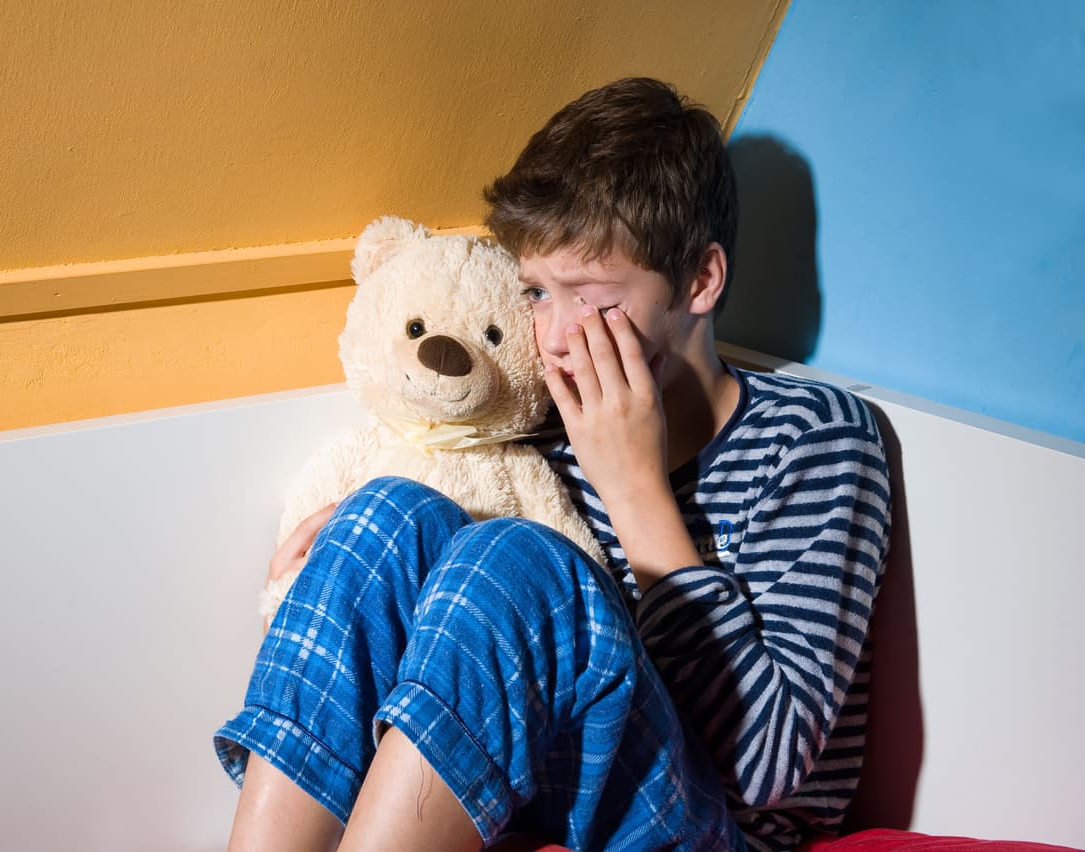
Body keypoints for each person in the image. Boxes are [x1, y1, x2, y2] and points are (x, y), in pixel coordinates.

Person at [213, 77, 891, 852]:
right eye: (536, 291)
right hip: (541, 792)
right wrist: (328, 575)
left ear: (699, 281)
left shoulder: (814, 438)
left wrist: (632, 485)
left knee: (519, 557)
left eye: (592, 297)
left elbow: (766, 766)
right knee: (384, 512)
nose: (558, 335)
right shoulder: (539, 418)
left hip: (718, 829)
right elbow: (465, 662)